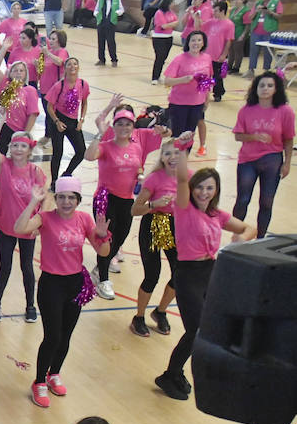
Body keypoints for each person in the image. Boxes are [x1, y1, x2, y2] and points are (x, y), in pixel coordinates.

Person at [154, 165, 255, 401]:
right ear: (191, 188)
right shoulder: (184, 209)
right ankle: (169, 374)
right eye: (199, 187)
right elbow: (180, 181)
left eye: (210, 187)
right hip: (188, 275)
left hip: (211, 273)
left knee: (205, 329)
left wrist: (241, 238)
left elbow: (250, 228)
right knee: (194, 330)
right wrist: (180, 151)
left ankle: (177, 372)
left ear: (216, 190)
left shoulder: (217, 215)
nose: (204, 192)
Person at [14, 177, 112, 408]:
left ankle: (54, 374)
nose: (66, 202)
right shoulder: (46, 218)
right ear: (55, 199)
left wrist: (100, 234)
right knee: (53, 336)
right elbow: (19, 229)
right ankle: (38, 381)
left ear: (78, 200)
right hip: (51, 285)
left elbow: (104, 252)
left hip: (75, 283)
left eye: (71, 197)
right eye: (61, 197)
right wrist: (32, 204)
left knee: (66, 335)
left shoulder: (84, 219)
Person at [84, 102, 148, 299]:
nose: (124, 128)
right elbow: (88, 156)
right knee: (106, 238)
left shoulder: (136, 147)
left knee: (120, 238)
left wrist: (139, 175)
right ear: (114, 126)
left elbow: (138, 166)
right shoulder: (105, 146)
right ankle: (103, 280)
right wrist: (98, 134)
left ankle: (99, 269)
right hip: (105, 198)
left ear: (132, 128)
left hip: (127, 200)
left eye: (128, 124)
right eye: (119, 124)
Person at [0, 122, 47, 322]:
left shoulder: (36, 172)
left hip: (27, 227)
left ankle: (31, 305)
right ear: (10, 148)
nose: (18, 149)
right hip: (6, 224)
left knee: (27, 267)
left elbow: (44, 200)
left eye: (22, 146)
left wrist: (40, 224)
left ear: (30, 149)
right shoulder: (3, 165)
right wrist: (0, 122)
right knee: (5, 267)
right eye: (14, 145)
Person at [130, 137, 187, 338]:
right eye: (167, 153)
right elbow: (135, 210)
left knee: (180, 274)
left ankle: (160, 311)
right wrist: (154, 204)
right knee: (152, 274)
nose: (172, 157)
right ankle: (139, 317)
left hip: (175, 226)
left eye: (176, 153)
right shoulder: (154, 179)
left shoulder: (187, 176)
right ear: (162, 157)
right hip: (154, 224)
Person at [231, 72, 293, 238]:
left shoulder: (285, 111)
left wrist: (287, 163)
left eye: (270, 85)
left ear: (276, 89)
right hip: (247, 160)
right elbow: (238, 135)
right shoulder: (246, 110)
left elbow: (288, 139)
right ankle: (237, 235)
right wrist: (254, 137)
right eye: (262, 85)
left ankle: (260, 239)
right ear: (255, 89)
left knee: (266, 202)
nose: (265, 89)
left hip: (272, 159)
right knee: (243, 199)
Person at [161, 30, 213, 153]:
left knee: (190, 134)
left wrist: (207, 98)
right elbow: (167, 81)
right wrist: (183, 80)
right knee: (178, 134)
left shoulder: (207, 58)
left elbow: (207, 80)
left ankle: (185, 158)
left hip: (197, 103)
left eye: (199, 40)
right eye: (193, 40)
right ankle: (174, 159)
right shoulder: (180, 59)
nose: (196, 43)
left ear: (203, 43)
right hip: (179, 103)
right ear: (188, 42)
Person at [94, 0, 123, 67]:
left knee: (111, 42)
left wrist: (117, 13)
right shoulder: (101, 0)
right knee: (100, 42)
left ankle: (114, 60)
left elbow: (121, 9)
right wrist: (96, 14)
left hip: (111, 23)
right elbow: (96, 10)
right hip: (101, 22)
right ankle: (101, 59)